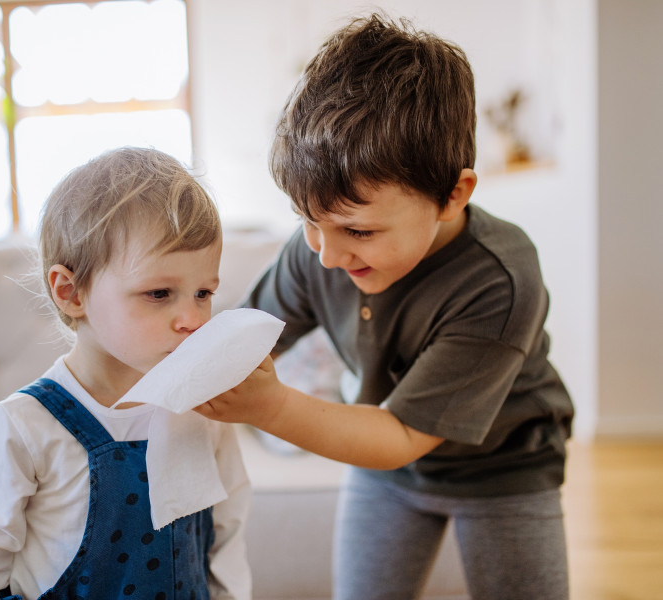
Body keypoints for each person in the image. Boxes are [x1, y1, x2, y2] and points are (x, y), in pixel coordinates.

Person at [195, 13, 574, 600]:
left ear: (453, 194)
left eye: (358, 231)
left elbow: (400, 433)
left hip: (506, 473)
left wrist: (269, 406)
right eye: (308, 222)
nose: (325, 256)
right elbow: (244, 337)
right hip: (387, 476)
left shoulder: (499, 280)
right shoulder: (319, 247)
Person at [0, 147, 252, 600]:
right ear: (71, 293)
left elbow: (225, 542)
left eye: (203, 292)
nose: (192, 318)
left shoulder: (205, 413)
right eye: (159, 293)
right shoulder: (21, 429)